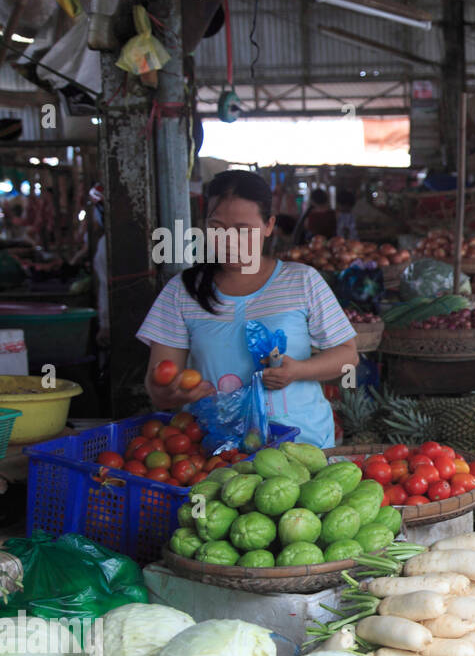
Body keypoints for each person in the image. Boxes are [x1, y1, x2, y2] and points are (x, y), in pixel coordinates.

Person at [137, 170, 360, 448]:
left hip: (301, 446)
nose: (228, 240)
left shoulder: (302, 281)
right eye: (217, 227)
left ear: (268, 226)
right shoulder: (182, 291)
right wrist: (174, 392)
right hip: (212, 449)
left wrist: (299, 370)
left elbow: (348, 355)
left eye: (242, 230)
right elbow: (158, 384)